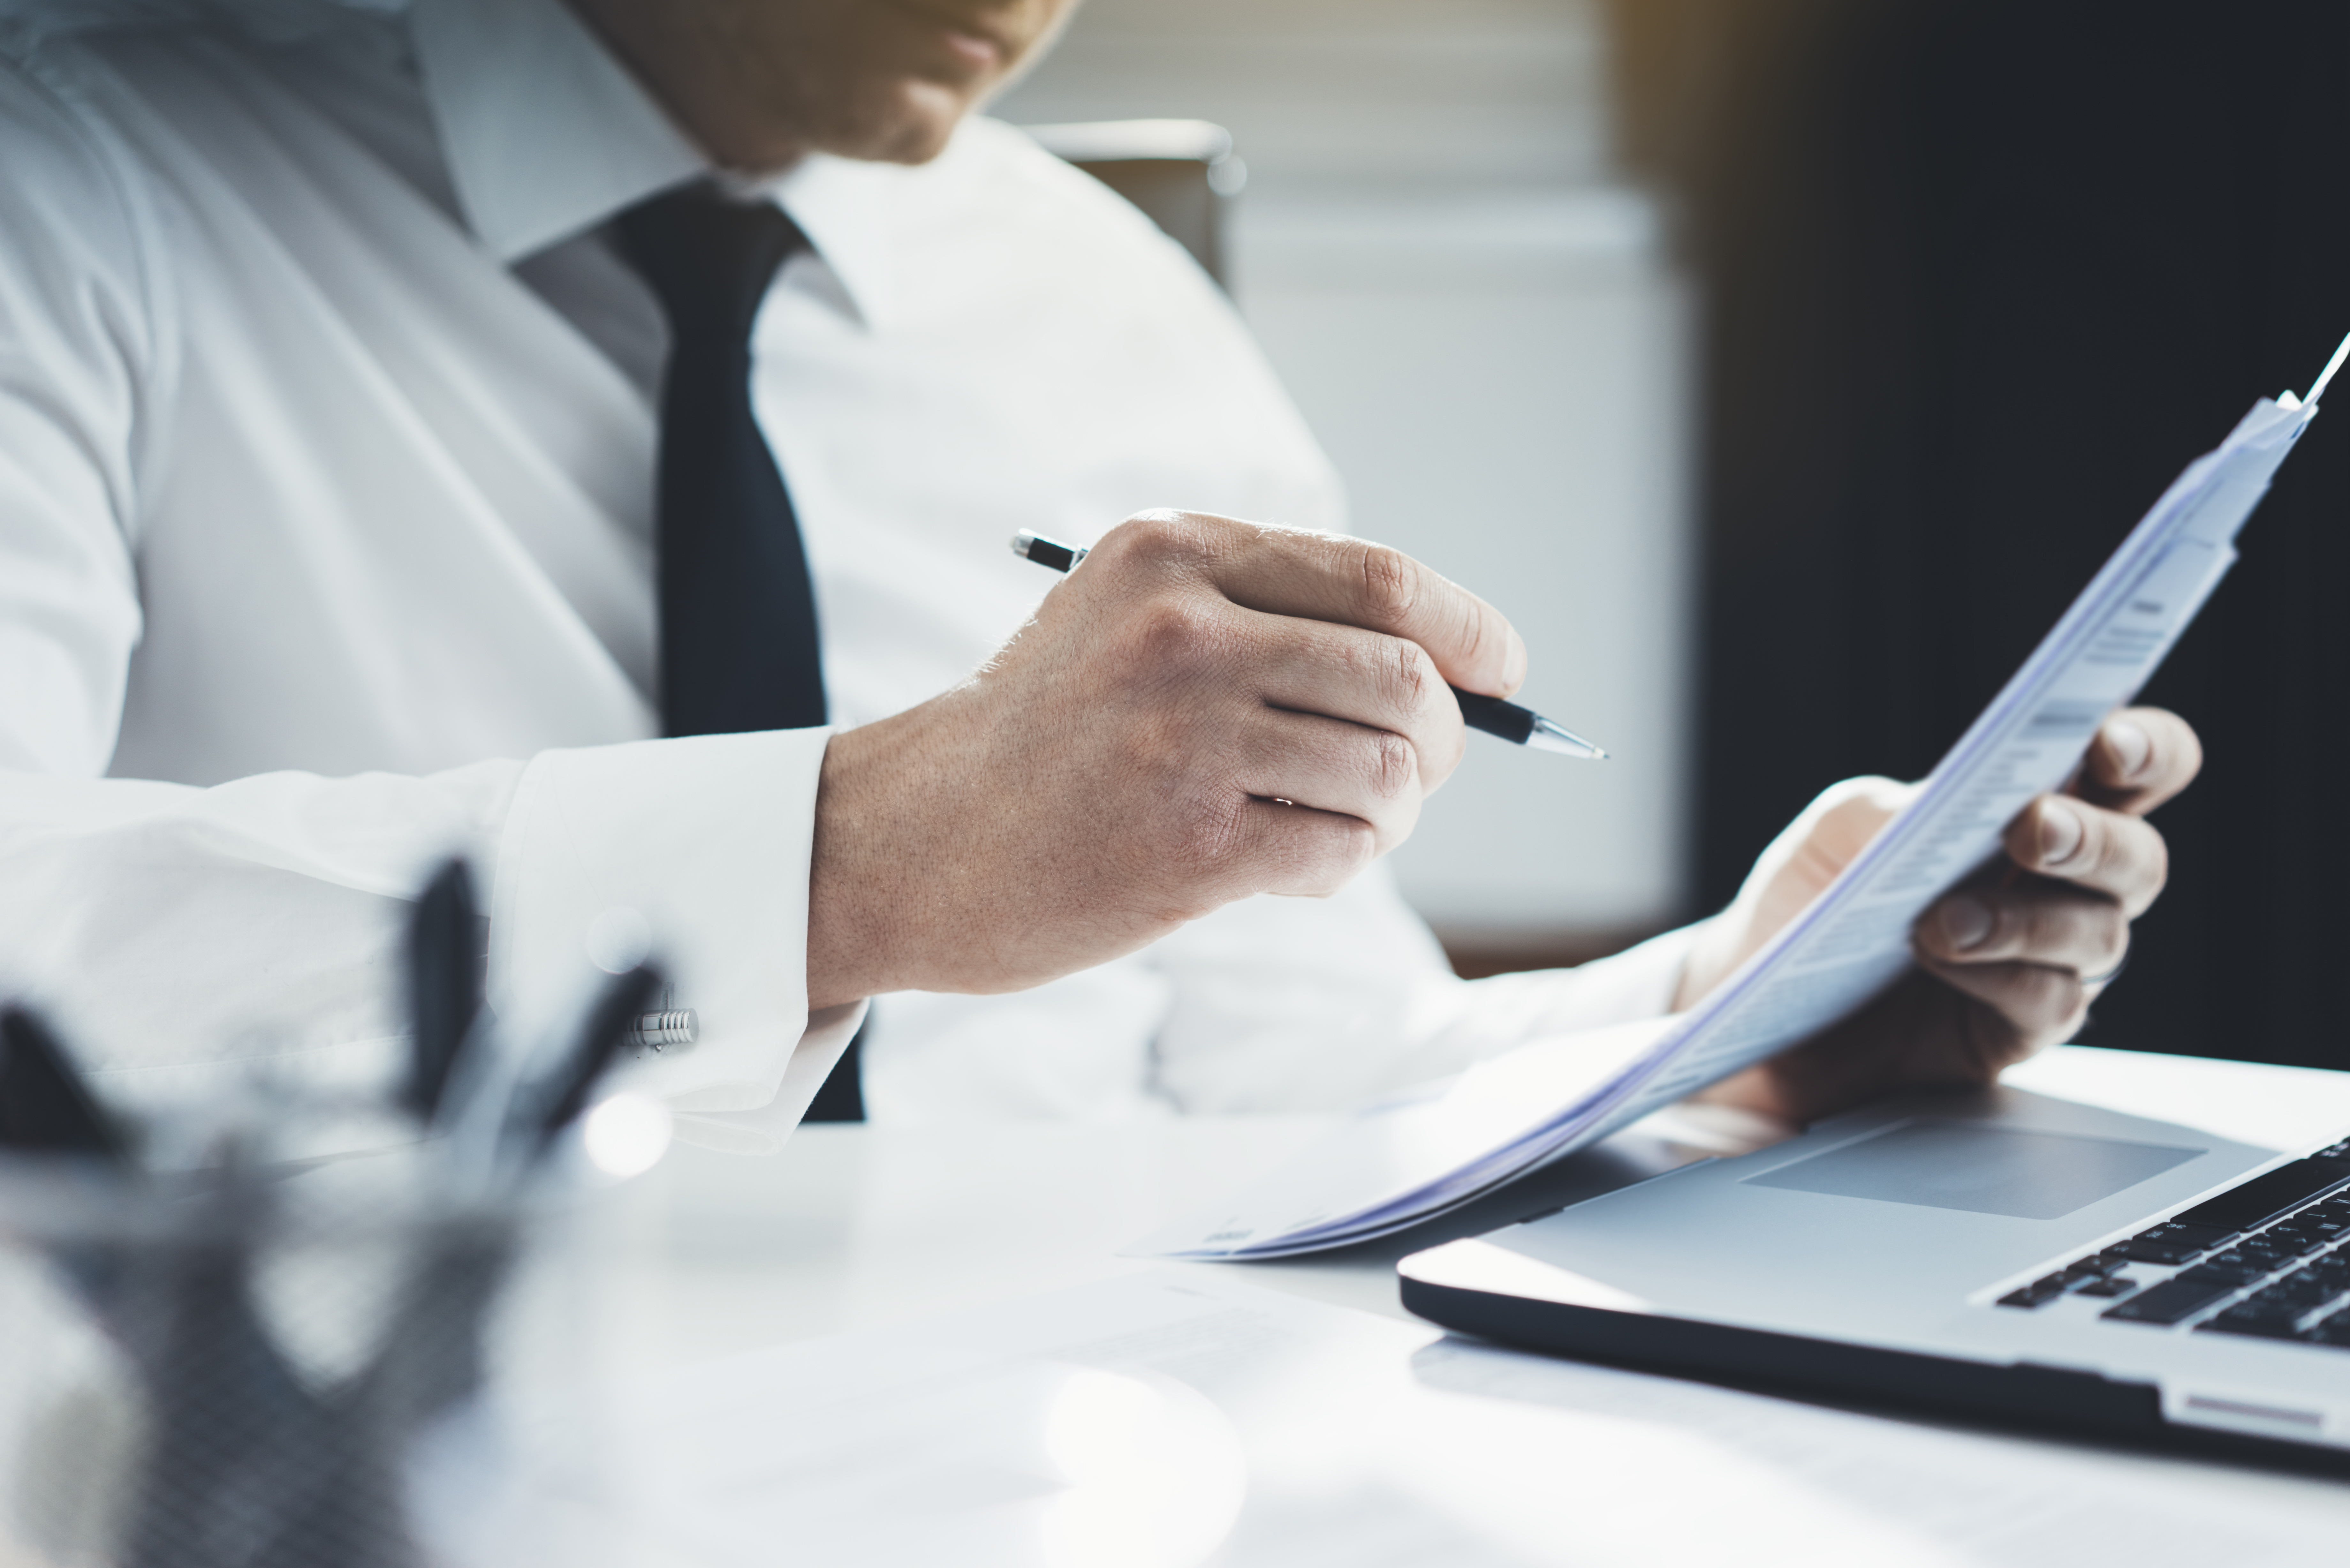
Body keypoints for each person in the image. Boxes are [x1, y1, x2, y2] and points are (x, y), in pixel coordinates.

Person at [0, 0, 2193, 1154]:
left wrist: (1710, 1028)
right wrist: (856, 867)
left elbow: (1295, 1072)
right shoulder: (75, 181)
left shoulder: (1100, 297)